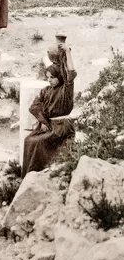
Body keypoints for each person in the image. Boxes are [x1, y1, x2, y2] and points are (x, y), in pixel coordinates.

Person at [22, 43, 77, 177]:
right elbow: (35, 105)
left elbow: (70, 73)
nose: (49, 80)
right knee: (28, 140)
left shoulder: (65, 90)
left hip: (61, 127)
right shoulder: (46, 90)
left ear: (60, 77)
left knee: (38, 143)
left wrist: (67, 54)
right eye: (47, 77)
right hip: (49, 125)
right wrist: (44, 121)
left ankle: (38, 174)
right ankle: (29, 176)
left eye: (52, 77)